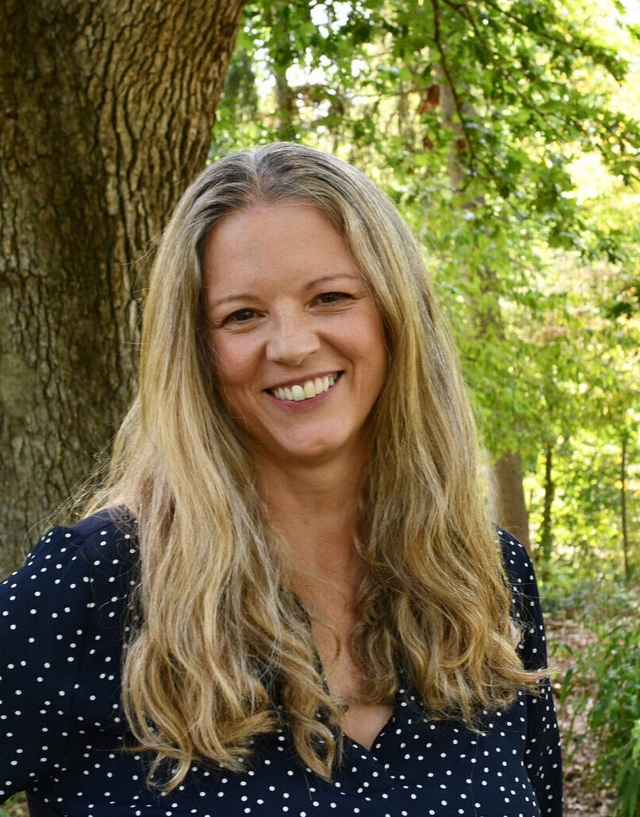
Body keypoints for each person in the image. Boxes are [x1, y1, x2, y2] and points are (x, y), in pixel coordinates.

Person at [0, 143, 562, 817]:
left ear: (394, 317)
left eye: (329, 297)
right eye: (243, 315)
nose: (292, 344)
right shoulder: (93, 588)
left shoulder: (488, 579)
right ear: (199, 352)